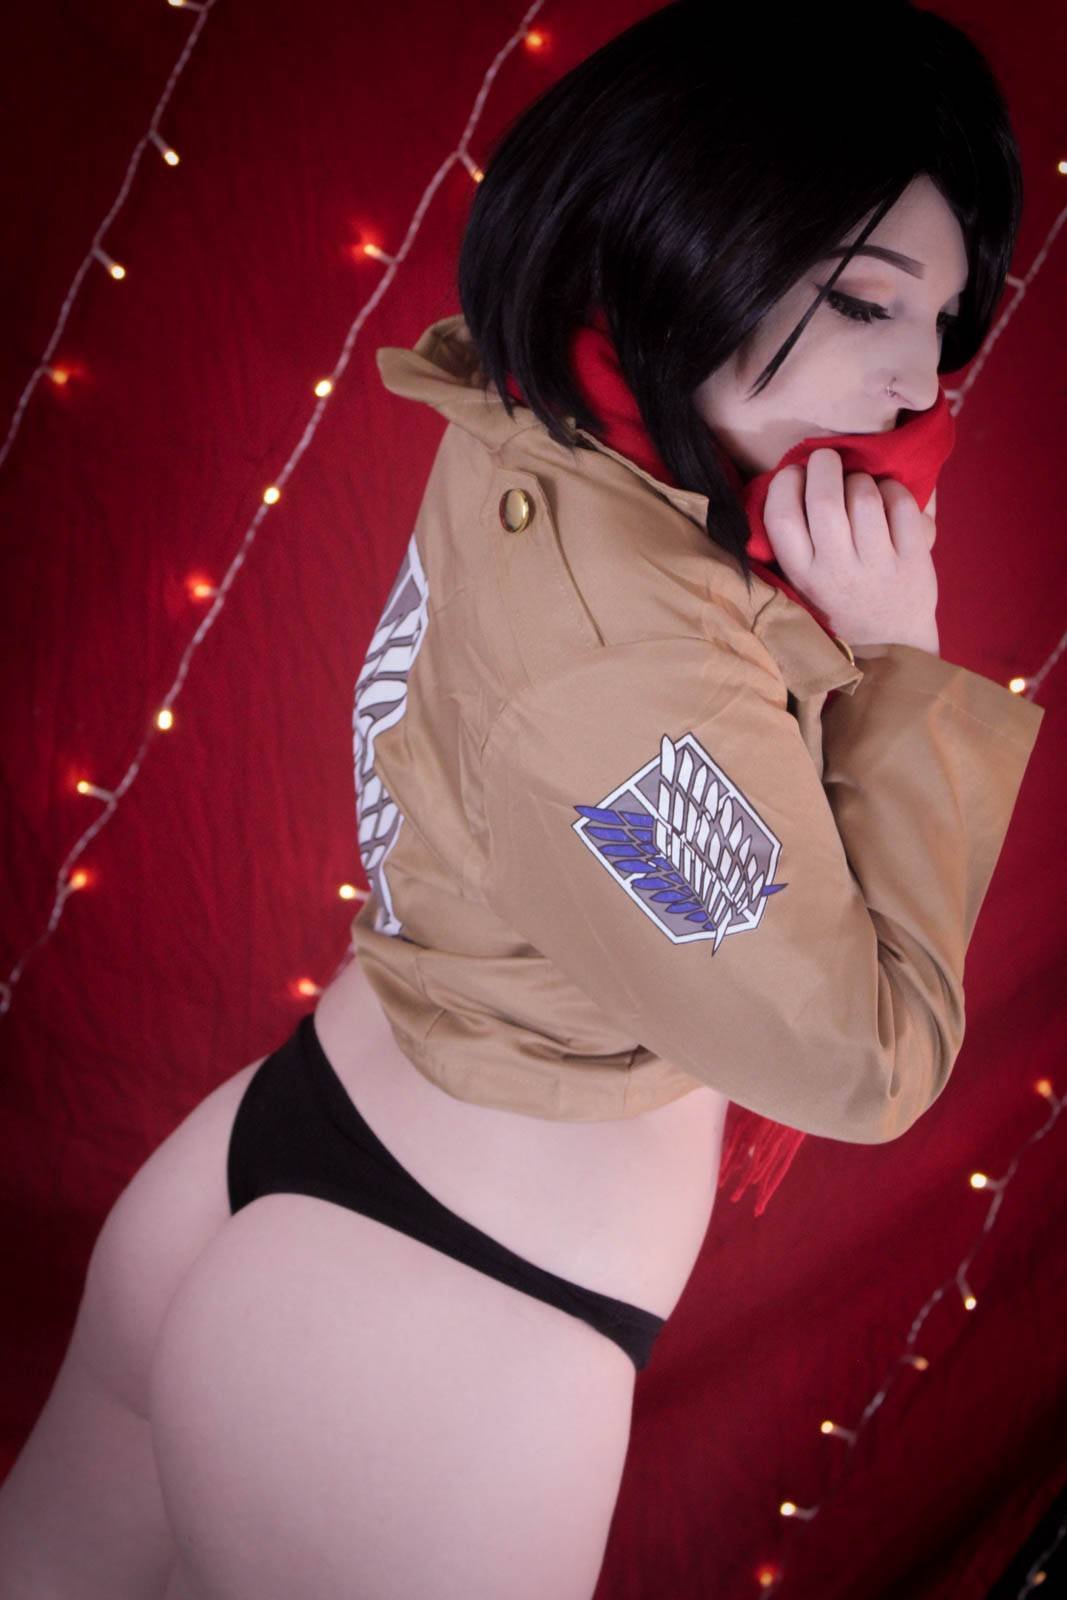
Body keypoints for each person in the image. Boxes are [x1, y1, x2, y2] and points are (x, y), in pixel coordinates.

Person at [0, 4, 1046, 1597]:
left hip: (285, 1152)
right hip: (442, 1333)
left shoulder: (546, 412)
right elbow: (869, 1050)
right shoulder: (640, 676)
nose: (918, 381)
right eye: (862, 301)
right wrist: (899, 663)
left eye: (944, 321)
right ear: (682, 238)